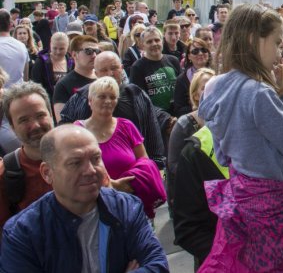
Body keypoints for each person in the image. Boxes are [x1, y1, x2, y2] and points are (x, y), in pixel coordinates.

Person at [197, 4, 283, 272]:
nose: (280, 53)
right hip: (274, 213)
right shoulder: (259, 93)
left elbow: (223, 154)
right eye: (277, 43)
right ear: (252, 40)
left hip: (241, 200)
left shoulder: (213, 86)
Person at [0, 125, 168, 272]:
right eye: (75, 162)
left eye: (96, 159)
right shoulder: (22, 233)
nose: (90, 170)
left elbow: (157, 265)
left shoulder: (127, 208)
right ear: (47, 173)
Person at [74, 77, 165, 218]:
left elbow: (144, 162)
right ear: (90, 100)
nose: (108, 101)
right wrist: (112, 185)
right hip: (95, 207)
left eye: (112, 97)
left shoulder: (127, 126)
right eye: (102, 96)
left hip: (133, 204)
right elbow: (76, 171)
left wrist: (132, 183)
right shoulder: (78, 131)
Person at [58, 51, 167, 169]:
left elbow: (152, 131)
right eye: (104, 70)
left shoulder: (136, 94)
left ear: (122, 69)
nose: (110, 73)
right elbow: (64, 130)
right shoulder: (80, 98)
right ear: (96, 73)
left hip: (133, 172)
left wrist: (157, 166)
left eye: (114, 68)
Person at [173, 124, 229, 269]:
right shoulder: (196, 150)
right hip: (222, 264)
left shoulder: (276, 133)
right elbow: (188, 229)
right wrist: (234, 260)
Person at [0, 82, 54, 229]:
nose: (35, 125)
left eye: (40, 115)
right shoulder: (5, 174)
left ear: (51, 115)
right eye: (24, 120)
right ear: (12, 127)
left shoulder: (82, 157)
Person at [167, 68, 214, 211]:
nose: (212, 91)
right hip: (194, 197)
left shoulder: (226, 120)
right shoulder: (184, 124)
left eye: (215, 86)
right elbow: (174, 164)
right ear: (196, 96)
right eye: (206, 88)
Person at [129, 26, 181, 114]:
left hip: (178, 113)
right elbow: (139, 99)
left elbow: (181, 89)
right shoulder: (137, 67)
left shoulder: (173, 60)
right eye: (149, 42)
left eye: (157, 40)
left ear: (162, 41)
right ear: (143, 45)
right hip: (155, 118)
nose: (154, 44)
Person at [51, 35, 99, 120]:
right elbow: (62, 122)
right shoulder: (63, 85)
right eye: (89, 51)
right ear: (74, 54)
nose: (94, 55)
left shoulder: (102, 79)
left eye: (97, 51)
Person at [173, 38, 212, 117]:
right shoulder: (182, 80)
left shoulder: (218, 74)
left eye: (204, 50)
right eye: (195, 51)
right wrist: (196, 107)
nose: (200, 53)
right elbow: (178, 110)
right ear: (189, 57)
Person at [31, 32, 73, 103]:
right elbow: (35, 85)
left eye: (62, 49)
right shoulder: (41, 61)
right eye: (55, 48)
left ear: (67, 47)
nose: (58, 52)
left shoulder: (71, 62)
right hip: (47, 103)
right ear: (50, 45)